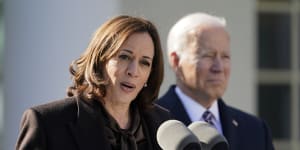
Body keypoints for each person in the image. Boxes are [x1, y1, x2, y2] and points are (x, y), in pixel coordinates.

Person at [16, 15, 171, 150]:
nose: (133, 71)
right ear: (100, 60)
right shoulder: (49, 123)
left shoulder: (163, 124)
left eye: (145, 62)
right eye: (124, 56)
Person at [157, 12, 275, 150]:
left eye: (225, 56)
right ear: (176, 61)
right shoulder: (149, 122)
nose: (219, 67)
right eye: (208, 55)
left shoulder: (255, 130)